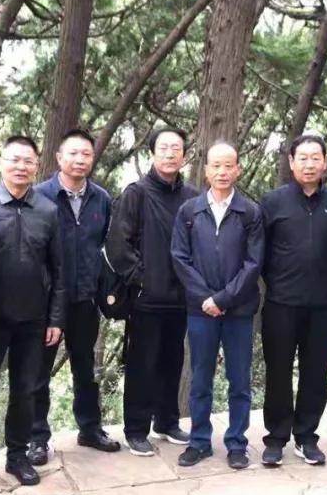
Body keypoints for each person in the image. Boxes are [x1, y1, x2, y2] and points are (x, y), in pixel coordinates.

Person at [0, 136, 65, 487]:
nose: (21, 167)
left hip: (33, 319)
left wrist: (55, 318)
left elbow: (59, 269)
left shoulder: (48, 211)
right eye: (14, 160)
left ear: (37, 166)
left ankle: (17, 457)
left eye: (28, 161)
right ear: (1, 164)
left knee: (26, 391)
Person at [170, 141, 264, 469]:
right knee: (200, 379)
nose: (222, 172)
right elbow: (180, 258)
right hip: (200, 311)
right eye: (216, 166)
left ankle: (237, 443)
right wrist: (205, 299)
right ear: (206, 169)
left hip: (239, 311)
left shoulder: (250, 212)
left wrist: (223, 299)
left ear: (238, 169)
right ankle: (199, 441)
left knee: (239, 380)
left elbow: (254, 263)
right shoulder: (189, 211)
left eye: (228, 166)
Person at [107, 127, 198, 456]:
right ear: (152, 153)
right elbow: (118, 245)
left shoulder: (192, 197)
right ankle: (136, 428)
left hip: (181, 298)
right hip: (146, 298)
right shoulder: (137, 193)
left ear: (185, 155)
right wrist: (142, 280)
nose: (170, 153)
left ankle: (167, 421)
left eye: (176, 148)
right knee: (142, 364)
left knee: (172, 361)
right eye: (164, 148)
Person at [258, 135, 327, 467]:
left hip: (322, 305)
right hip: (281, 304)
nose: (309, 164)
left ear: (325, 162)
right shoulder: (273, 202)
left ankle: (306, 437)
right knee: (278, 372)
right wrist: (278, 283)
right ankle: (276, 437)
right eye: (303, 158)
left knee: (315, 373)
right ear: (291, 162)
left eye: (315, 158)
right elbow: (260, 253)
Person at [31, 128, 119, 460]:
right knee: (39, 371)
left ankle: (90, 428)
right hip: (47, 302)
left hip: (85, 298)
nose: (80, 159)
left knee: (85, 367)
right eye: (73, 153)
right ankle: (36, 437)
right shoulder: (39, 196)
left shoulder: (101, 198)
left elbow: (102, 245)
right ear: (59, 157)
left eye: (86, 154)